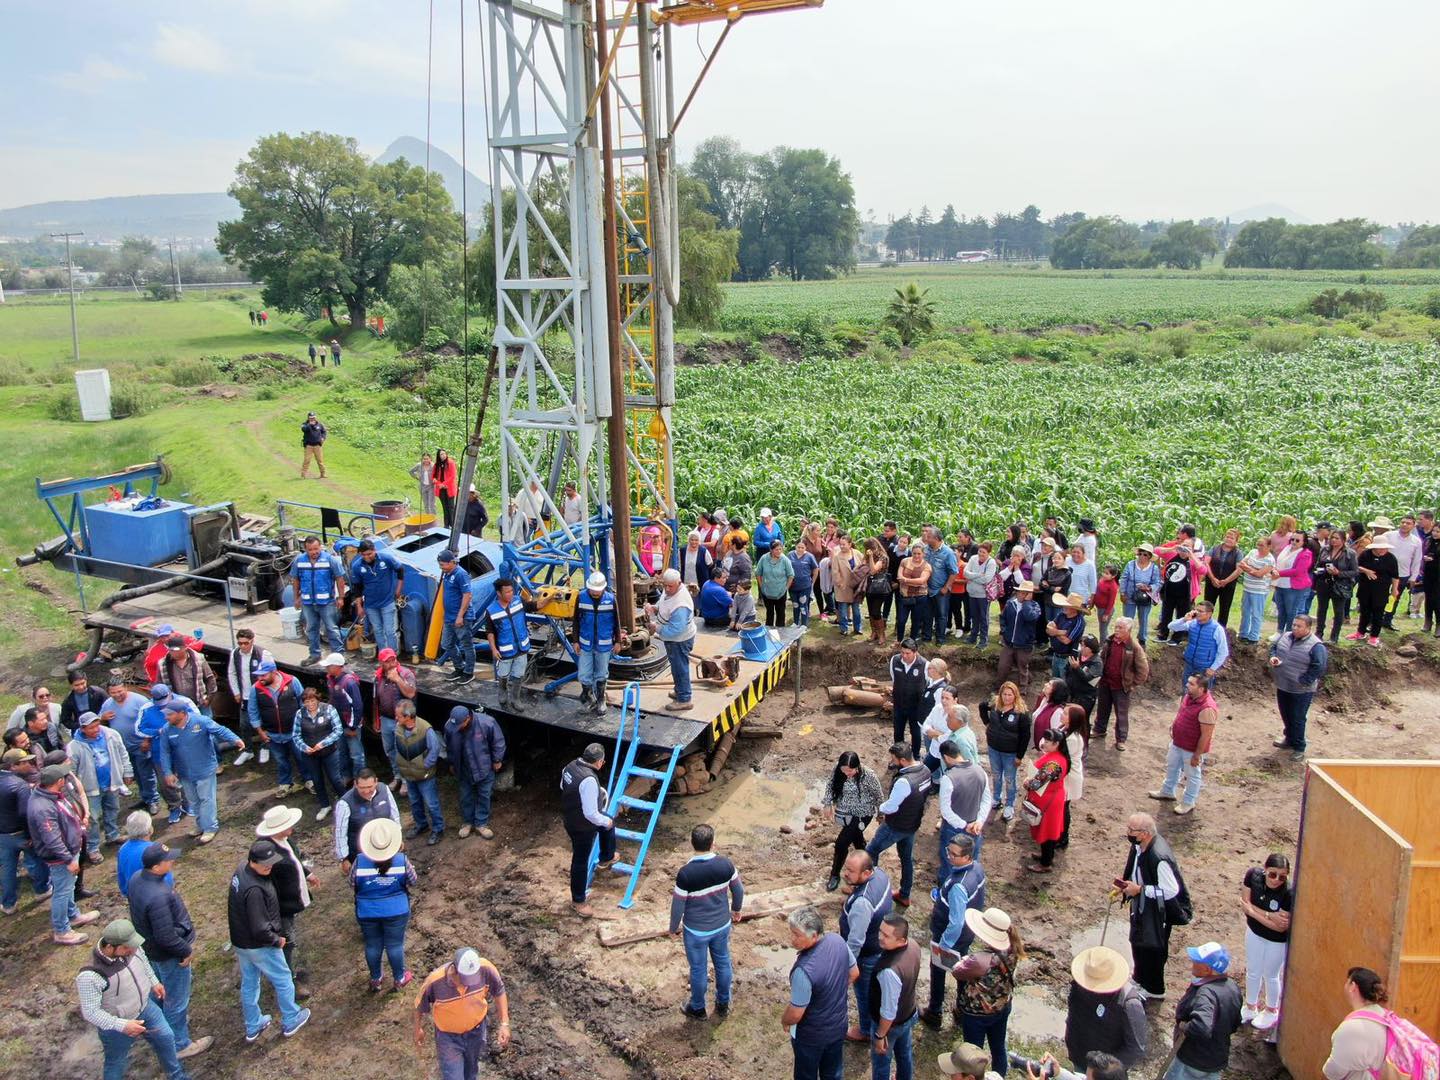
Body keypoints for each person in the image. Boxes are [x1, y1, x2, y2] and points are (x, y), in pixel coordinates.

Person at [127, 842, 212, 1061]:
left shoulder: (137, 878)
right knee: (176, 999)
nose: (172, 862)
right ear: (156, 868)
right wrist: (184, 951)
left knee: (158, 992)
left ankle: (153, 1025)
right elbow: (166, 935)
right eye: (167, 860)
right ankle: (179, 1044)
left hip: (150, 948)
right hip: (168, 954)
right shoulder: (158, 896)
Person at [77, 918, 192, 1080]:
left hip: (146, 1008)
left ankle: (177, 1076)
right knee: (115, 1064)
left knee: (166, 1038)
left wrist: (154, 981)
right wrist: (122, 1025)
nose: (132, 950)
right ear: (110, 947)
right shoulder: (90, 976)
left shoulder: (132, 947)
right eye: (126, 948)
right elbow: (90, 1012)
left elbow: (144, 962)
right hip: (116, 1026)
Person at [228, 838, 311, 1041]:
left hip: (241, 942)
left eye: (271, 863)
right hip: (260, 944)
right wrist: (276, 940)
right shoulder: (255, 890)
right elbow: (259, 927)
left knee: (250, 983)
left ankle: (253, 1024)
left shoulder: (241, 871)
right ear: (252, 861)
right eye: (264, 864)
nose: (269, 867)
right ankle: (291, 1018)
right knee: (283, 980)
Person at [669, 823, 744, 1019]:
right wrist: (736, 910)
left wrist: (673, 927)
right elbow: (739, 890)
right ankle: (723, 1003)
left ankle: (698, 1007)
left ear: (691, 844)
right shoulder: (726, 864)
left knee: (698, 969)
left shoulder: (685, 873)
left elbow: (678, 906)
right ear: (713, 844)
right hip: (721, 925)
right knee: (723, 963)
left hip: (696, 931)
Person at [1118, 812, 1189, 1001]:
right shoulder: (1139, 846)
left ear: (1145, 833)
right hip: (1142, 903)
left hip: (1159, 911)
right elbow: (1134, 869)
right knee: (1138, 941)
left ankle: (1155, 989)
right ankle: (1139, 979)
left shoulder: (1159, 856)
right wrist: (1126, 886)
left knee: (1153, 946)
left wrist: (1141, 890)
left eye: (1131, 830)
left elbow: (1171, 890)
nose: (1128, 832)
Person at [921, 832, 987, 1028]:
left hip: (952, 936)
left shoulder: (959, 886)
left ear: (967, 856)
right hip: (968, 933)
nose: (948, 856)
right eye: (948, 851)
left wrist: (944, 945)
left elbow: (955, 921)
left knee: (939, 969)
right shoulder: (977, 868)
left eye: (953, 854)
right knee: (963, 970)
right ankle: (962, 1011)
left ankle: (935, 1012)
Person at [28, 762, 100, 943]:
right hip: (61, 858)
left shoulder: (51, 796)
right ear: (58, 781)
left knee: (67, 888)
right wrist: (69, 860)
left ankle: (73, 915)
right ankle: (61, 930)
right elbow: (51, 839)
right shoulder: (42, 807)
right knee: (62, 891)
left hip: (69, 850)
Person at [784, 905, 858, 1080]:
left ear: (814, 935)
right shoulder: (838, 941)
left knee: (806, 1074)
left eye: (797, 935)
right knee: (833, 1073)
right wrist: (832, 991)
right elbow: (854, 973)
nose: (792, 939)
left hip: (811, 1037)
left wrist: (784, 1021)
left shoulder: (804, 971)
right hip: (838, 1026)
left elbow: (795, 1014)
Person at [414, 947, 511, 1080]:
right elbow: (419, 1005)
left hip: (476, 1032)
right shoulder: (435, 981)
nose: (468, 985)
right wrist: (417, 1028)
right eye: (465, 979)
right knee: (453, 1076)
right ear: (454, 970)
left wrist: (504, 1023)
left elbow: (499, 991)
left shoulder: (485, 968)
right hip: (448, 1038)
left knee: (471, 1072)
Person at [154, 703, 244, 844]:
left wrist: (235, 739)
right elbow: (164, 752)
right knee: (194, 801)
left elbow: (220, 730)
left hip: (205, 769)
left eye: (170, 714)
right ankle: (201, 825)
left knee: (206, 799)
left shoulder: (201, 721)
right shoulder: (167, 730)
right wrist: (168, 772)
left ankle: (210, 828)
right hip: (185, 772)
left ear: (181, 713)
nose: (166, 717)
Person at [953, 907, 1023, 1076]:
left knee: (973, 1053)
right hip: (1002, 1006)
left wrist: (964, 961)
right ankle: (999, 1075)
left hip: (977, 1014)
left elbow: (957, 971)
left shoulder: (979, 960)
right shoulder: (1014, 948)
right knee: (998, 1047)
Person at [350, 817, 417, 992]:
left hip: (367, 911)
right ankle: (399, 978)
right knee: (394, 945)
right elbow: (413, 880)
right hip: (397, 910)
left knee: (372, 944)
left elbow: (352, 883)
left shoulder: (359, 861)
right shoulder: (402, 861)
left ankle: (375, 979)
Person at [867, 743, 930, 908]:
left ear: (902, 760)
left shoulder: (904, 782)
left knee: (871, 852)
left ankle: (872, 892)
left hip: (896, 825)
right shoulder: (925, 771)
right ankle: (904, 894)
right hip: (912, 823)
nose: (891, 761)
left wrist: (878, 808)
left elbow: (891, 807)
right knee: (906, 859)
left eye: (893, 759)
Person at [1166, 942, 1243, 1080]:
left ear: (1207, 970)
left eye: (1197, 961)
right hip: (1216, 1059)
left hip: (1192, 1061)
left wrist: (1185, 1027)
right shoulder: (1233, 987)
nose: (1193, 963)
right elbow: (1236, 1022)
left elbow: (1202, 1027)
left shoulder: (1206, 993)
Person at [1064, 946, 1146, 1074]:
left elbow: (1135, 1048)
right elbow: (1073, 1011)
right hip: (1078, 1056)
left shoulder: (1129, 1004)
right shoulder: (1079, 983)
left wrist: (1105, 1070)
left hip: (1104, 1072)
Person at [1146, 674, 1219, 816]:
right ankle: (1167, 791)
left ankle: (1188, 802)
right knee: (1172, 766)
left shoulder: (1207, 708)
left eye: (1191, 684)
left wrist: (1197, 755)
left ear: (1201, 688)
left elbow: (1206, 735)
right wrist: (1174, 726)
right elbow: (1181, 713)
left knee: (1192, 775)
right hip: (1178, 742)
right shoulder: (1188, 697)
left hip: (1191, 749)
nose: (1187, 685)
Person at [1323, 967, 1412, 1080]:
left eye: (1347, 981)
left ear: (1353, 987)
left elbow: (1333, 1072)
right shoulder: (1384, 1016)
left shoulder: (1352, 1028)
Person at [560, 743, 616, 918]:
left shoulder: (570, 766)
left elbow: (563, 786)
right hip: (581, 826)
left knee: (607, 822)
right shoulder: (589, 780)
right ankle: (578, 901)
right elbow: (591, 814)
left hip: (570, 815)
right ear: (599, 762)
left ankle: (606, 857)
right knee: (580, 862)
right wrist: (606, 822)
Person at [68, 711, 132, 858]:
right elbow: (70, 772)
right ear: (82, 729)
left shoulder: (111, 734)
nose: (96, 730)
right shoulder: (74, 747)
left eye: (97, 725)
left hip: (111, 782)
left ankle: (113, 836)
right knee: (93, 819)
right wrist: (76, 791)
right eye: (91, 728)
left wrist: (127, 771)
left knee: (113, 809)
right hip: (90, 789)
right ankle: (92, 847)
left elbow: (123, 753)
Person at [1240, 853, 1292, 1032]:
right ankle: (1250, 1006)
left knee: (1271, 974)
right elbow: (1245, 902)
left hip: (1276, 941)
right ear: (1265, 870)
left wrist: (1254, 912)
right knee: (1253, 971)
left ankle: (1271, 1010)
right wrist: (1269, 915)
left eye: (1282, 877)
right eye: (1272, 874)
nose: (1277, 880)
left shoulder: (1288, 893)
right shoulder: (1252, 876)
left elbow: (1280, 928)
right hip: (1254, 932)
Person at [869, 912, 922, 1080]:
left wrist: (880, 1035)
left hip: (890, 1025)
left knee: (881, 1063)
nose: (880, 937)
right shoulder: (913, 945)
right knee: (905, 1054)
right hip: (909, 1013)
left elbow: (888, 1011)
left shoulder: (889, 972)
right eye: (880, 931)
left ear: (900, 940)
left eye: (886, 935)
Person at [821, 751, 883, 892]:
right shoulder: (838, 770)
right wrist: (827, 803)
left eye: (850, 771)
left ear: (858, 767)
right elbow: (830, 784)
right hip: (845, 812)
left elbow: (879, 796)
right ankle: (867, 863)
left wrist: (881, 814)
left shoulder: (869, 776)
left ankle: (834, 875)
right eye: (844, 770)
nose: (847, 773)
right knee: (857, 840)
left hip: (862, 814)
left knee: (841, 843)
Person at [1269, 613, 1328, 761]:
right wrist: (1273, 656)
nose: (1295, 628)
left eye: (1299, 626)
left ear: (1308, 628)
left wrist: (1304, 680)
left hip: (1301, 690)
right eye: (1294, 625)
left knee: (1298, 718)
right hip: (1283, 684)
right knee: (1285, 714)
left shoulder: (1316, 646)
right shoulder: (1285, 636)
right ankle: (1289, 738)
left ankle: (1299, 747)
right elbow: (1274, 647)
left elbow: (1319, 667)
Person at [444, 705, 505, 840]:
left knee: (484, 795)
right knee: (465, 796)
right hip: (464, 768)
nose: (457, 728)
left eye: (460, 725)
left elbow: (498, 742)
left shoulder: (486, 722)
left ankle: (481, 823)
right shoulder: (450, 726)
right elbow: (449, 747)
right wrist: (452, 763)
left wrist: (497, 760)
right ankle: (467, 822)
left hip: (484, 768)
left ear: (467, 719)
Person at [0, 748, 49, 915]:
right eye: (25, 763)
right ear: (13, 766)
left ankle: (8, 904)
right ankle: (41, 890)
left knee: (7, 870)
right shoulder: (19, 785)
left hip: (3, 835)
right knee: (36, 861)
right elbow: (24, 813)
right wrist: (30, 836)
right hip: (20, 832)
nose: (30, 765)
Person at [247, 660, 305, 799]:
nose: (260, 678)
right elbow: (252, 710)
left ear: (274, 672)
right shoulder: (256, 688)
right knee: (280, 760)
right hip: (272, 734)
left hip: (294, 732)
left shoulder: (292, 681)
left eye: (263, 675)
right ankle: (285, 784)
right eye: (258, 675)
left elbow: (303, 702)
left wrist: (304, 726)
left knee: (302, 758)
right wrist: (260, 731)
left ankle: (309, 781)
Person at [936, 739, 990, 877]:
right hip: (975, 829)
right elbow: (986, 800)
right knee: (971, 863)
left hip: (953, 830)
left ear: (946, 757)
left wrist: (964, 825)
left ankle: (946, 893)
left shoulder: (948, 778)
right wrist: (979, 822)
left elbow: (945, 810)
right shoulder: (980, 772)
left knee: (949, 863)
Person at [393, 701, 444, 846]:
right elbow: (396, 747)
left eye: (398, 716)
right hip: (408, 775)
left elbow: (435, 749)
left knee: (431, 803)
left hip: (424, 776)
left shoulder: (426, 729)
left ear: (408, 716)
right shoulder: (398, 728)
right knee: (414, 802)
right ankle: (421, 825)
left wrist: (424, 766)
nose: (396, 718)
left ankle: (438, 829)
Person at [291, 535, 346, 664]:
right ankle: (314, 654)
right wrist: (296, 598)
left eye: (316, 549)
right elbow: (295, 580)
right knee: (311, 628)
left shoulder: (330, 560)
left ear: (320, 546)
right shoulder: (299, 561)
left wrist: (341, 597)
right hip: (308, 602)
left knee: (331, 628)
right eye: (310, 549)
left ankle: (338, 656)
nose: (314, 552)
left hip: (327, 602)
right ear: (305, 549)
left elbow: (340, 578)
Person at [334, 768, 402, 870]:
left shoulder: (384, 789)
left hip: (384, 846)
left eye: (370, 787)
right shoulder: (344, 803)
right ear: (355, 784)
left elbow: (394, 815)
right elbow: (340, 832)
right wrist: (344, 858)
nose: (366, 791)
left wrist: (398, 838)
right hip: (360, 853)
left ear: (376, 782)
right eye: (362, 787)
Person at [980, 682, 1031, 821]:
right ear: (1000, 694)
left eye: (1010, 694)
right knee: (996, 775)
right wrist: (987, 723)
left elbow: (1025, 736)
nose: (1007, 697)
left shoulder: (1022, 713)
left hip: (1011, 753)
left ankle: (1010, 804)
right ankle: (996, 798)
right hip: (994, 749)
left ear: (1015, 695)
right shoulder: (995, 704)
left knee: (1010, 779)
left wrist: (1019, 756)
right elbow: (982, 706)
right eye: (1004, 694)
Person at [648, 568, 696, 711]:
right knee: (676, 667)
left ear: (679, 583)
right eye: (665, 586)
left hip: (680, 640)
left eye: (670, 586)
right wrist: (654, 608)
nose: (667, 589)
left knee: (680, 668)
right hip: (674, 640)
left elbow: (675, 630)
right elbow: (664, 601)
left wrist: (656, 628)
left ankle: (685, 699)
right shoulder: (670, 589)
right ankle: (680, 690)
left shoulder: (681, 604)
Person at [293, 686, 344, 820]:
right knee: (317, 780)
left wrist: (323, 743)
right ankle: (325, 805)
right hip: (310, 755)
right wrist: (304, 747)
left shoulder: (329, 709)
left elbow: (338, 730)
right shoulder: (299, 714)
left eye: (312, 701)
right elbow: (296, 735)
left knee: (335, 778)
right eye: (306, 702)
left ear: (318, 700)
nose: (310, 704)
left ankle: (345, 801)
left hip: (329, 751)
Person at [575, 571, 622, 714]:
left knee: (601, 674)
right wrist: (576, 641)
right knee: (584, 673)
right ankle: (588, 699)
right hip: (586, 643)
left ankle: (601, 700)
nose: (595, 593)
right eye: (592, 590)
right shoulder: (581, 597)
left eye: (598, 591)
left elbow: (616, 622)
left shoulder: (611, 599)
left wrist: (618, 641)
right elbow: (576, 620)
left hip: (604, 644)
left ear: (603, 588)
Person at [1023, 729, 1069, 873]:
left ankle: (1045, 863)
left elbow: (1036, 783)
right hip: (1051, 798)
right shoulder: (1059, 757)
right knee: (1048, 830)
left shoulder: (1053, 764)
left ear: (1056, 744)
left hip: (1049, 802)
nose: (1044, 744)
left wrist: (1027, 782)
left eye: (1047, 742)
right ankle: (1045, 856)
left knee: (1048, 832)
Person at [349, 538, 405, 657]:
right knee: (378, 631)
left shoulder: (386, 559)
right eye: (363, 554)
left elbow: (400, 570)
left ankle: (393, 655)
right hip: (371, 605)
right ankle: (383, 655)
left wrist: (398, 590)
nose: (367, 557)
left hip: (387, 602)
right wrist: (359, 606)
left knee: (390, 631)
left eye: (369, 554)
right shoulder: (357, 566)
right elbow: (357, 588)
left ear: (374, 550)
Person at [224, 630, 270, 766]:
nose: (243, 646)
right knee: (244, 724)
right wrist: (236, 692)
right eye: (240, 643)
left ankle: (265, 746)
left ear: (252, 641)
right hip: (245, 695)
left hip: (260, 695)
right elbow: (231, 673)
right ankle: (248, 750)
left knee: (262, 722)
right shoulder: (235, 654)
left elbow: (271, 674)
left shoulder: (263, 654)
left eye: (246, 643)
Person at [484, 575, 531, 704]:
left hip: (522, 647)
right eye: (507, 592)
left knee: (519, 674)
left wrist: (549, 598)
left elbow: (534, 605)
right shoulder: (491, 611)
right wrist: (493, 649)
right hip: (505, 650)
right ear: (499, 593)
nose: (511, 594)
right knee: (503, 674)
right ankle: (502, 690)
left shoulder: (518, 601)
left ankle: (516, 698)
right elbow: (490, 632)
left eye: (512, 591)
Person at [324, 653, 367, 784]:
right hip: (339, 725)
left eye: (329, 666)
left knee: (357, 755)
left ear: (337, 666)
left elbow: (357, 706)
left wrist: (353, 726)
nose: (326, 668)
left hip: (350, 725)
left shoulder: (349, 682)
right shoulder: (331, 679)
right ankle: (346, 776)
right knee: (341, 752)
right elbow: (332, 700)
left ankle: (359, 780)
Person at [1169, 601, 1229, 693]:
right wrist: (1184, 619)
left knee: (1203, 696)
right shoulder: (1192, 623)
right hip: (1189, 665)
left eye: (1200, 611)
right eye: (1196, 610)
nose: (1197, 613)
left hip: (1205, 669)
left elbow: (1223, 651)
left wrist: (1213, 668)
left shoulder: (1217, 629)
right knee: (1186, 692)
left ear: (1209, 614)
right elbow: (1172, 626)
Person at [1351, 536, 1399, 646]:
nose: (1382, 550)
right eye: (1380, 548)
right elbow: (1356, 566)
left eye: (1384, 548)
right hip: (1365, 588)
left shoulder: (1391, 558)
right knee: (1364, 611)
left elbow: (1395, 576)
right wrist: (1366, 571)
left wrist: (1395, 589)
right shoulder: (1365, 555)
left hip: (1381, 590)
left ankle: (1374, 636)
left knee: (1378, 613)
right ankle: (1360, 632)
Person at [1314, 529, 1359, 643]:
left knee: (1338, 611)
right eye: (1332, 537)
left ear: (1343, 540)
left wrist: (1339, 573)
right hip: (1324, 583)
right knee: (1321, 609)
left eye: (1337, 538)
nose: (1333, 540)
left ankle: (1334, 637)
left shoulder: (1350, 553)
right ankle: (1319, 633)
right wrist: (1322, 570)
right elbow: (1318, 565)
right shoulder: (1324, 549)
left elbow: (1355, 571)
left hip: (1340, 585)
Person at [159, 636, 217, 719]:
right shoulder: (163, 664)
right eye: (171, 650)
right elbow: (159, 685)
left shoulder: (199, 659)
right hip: (178, 707)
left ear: (184, 648)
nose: (174, 653)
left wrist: (209, 698)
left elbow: (210, 679)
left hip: (200, 704)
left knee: (206, 727)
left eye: (176, 650)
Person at [890, 639, 929, 759]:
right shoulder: (894, 661)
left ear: (915, 652)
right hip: (899, 705)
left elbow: (928, 684)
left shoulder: (925, 665)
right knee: (898, 732)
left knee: (916, 733)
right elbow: (894, 679)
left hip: (916, 707)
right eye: (902, 652)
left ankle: (916, 755)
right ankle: (898, 756)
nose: (904, 656)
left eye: (908, 653)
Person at [922, 526, 960, 643]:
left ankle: (940, 638)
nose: (926, 538)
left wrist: (946, 587)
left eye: (929, 537)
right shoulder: (926, 549)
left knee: (941, 615)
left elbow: (953, 572)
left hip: (940, 590)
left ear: (937, 538)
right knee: (927, 615)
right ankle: (927, 637)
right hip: (927, 589)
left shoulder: (948, 553)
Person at [1118, 544, 1161, 644]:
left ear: (1149, 556)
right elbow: (1123, 579)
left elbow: (1158, 583)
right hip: (1129, 596)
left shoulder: (1154, 568)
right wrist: (1122, 593)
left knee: (1143, 618)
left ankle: (1142, 638)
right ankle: (1125, 638)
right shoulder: (1130, 564)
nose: (1142, 556)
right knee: (1127, 619)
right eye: (1140, 554)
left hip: (1145, 597)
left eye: (1145, 554)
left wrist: (1149, 587)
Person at [1236, 537, 1276, 644]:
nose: (1259, 547)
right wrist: (1254, 569)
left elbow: (1259, 574)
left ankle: (1254, 636)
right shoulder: (1253, 552)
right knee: (1245, 612)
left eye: (1262, 545)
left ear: (1269, 546)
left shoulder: (1270, 560)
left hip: (1259, 590)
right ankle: (1243, 633)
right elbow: (1241, 564)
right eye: (1258, 544)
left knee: (1256, 614)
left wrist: (1249, 568)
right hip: (1247, 587)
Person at [1201, 529, 1242, 628]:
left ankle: (1221, 630)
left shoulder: (1238, 553)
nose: (1228, 539)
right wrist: (1212, 578)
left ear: (1236, 541)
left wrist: (1226, 581)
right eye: (1227, 537)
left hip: (1228, 585)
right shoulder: (1214, 548)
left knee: (1225, 608)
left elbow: (1239, 569)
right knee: (1207, 606)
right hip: (1212, 583)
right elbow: (1206, 563)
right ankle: (1205, 627)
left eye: (1232, 538)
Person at [964, 543, 999, 647]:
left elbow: (986, 579)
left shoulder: (991, 562)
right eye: (980, 551)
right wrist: (978, 575)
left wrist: (972, 578)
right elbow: (965, 573)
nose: (981, 554)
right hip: (972, 593)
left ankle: (983, 640)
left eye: (984, 552)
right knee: (974, 616)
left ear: (989, 553)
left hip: (983, 595)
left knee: (983, 617)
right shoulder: (973, 558)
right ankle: (973, 637)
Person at [116, 810, 158, 896]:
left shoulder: (122, 849)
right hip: (155, 897)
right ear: (150, 830)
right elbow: (165, 877)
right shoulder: (154, 850)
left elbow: (121, 876)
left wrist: (126, 893)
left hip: (134, 897)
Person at [895, 542, 931, 643]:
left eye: (919, 553)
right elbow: (899, 576)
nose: (916, 556)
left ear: (923, 554)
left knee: (916, 621)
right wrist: (912, 581)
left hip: (919, 598)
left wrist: (906, 580)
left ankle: (911, 642)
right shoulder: (904, 561)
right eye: (914, 553)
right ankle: (899, 641)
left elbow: (921, 581)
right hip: (905, 596)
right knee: (901, 621)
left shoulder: (927, 566)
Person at [1045, 593, 1087, 679]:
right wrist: (1062, 632)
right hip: (1056, 655)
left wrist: (1055, 631)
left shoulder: (1079, 622)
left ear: (1074, 609)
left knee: (1064, 683)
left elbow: (1066, 641)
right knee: (1055, 680)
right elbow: (1048, 628)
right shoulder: (1061, 615)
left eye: (1067, 605)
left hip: (1066, 658)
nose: (1064, 607)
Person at [1064, 636, 1103, 718]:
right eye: (1081, 645)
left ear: (1091, 648)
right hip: (1072, 693)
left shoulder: (1096, 662)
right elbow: (1067, 670)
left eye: (1084, 646)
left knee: (1082, 720)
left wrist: (1077, 668)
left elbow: (1087, 678)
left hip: (1085, 697)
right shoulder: (1077, 655)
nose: (1081, 648)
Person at [791, 539, 819, 626]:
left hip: (805, 586)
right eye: (798, 547)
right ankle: (795, 622)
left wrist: (812, 582)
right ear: (795, 546)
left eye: (802, 547)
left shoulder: (809, 556)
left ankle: (804, 625)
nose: (800, 549)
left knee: (803, 606)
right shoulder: (790, 555)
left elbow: (816, 569)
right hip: (793, 586)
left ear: (805, 548)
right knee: (795, 605)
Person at [433, 449, 458, 528]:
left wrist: (444, 484)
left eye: (444, 454)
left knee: (451, 507)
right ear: (439, 456)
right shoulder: (437, 465)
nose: (443, 455)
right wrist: (439, 484)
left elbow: (453, 476)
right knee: (445, 507)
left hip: (449, 488)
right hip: (441, 489)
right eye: (441, 454)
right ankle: (446, 524)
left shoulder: (450, 463)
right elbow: (433, 477)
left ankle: (453, 524)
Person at [299, 411, 327, 479]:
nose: (312, 419)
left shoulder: (320, 425)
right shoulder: (305, 424)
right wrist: (310, 424)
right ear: (308, 418)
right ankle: (303, 474)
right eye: (310, 418)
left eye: (313, 418)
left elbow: (324, 432)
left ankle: (323, 474)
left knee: (320, 461)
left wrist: (323, 438)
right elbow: (304, 429)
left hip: (317, 446)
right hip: (309, 446)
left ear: (315, 417)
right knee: (307, 460)